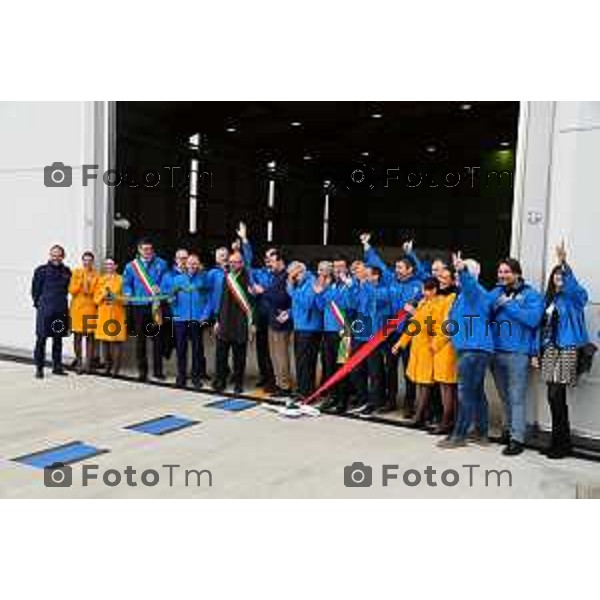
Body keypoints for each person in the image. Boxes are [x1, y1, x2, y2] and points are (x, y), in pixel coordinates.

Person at [537, 242, 589, 458]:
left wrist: (563, 263)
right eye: (556, 276)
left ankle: (562, 443)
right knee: (552, 396)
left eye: (562, 276)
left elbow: (576, 288)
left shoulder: (574, 299)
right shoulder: (549, 300)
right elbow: (541, 327)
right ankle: (559, 442)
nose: (559, 279)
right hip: (550, 349)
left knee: (557, 395)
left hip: (567, 348)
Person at [361, 233, 422, 415]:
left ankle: (410, 404)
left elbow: (424, 272)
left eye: (401, 267)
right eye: (396, 267)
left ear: (410, 270)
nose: (397, 270)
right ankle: (390, 400)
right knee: (391, 368)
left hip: (410, 334)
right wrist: (367, 246)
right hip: (392, 332)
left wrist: (412, 254)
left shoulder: (419, 285)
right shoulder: (391, 281)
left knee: (409, 371)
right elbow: (378, 264)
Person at [489, 257, 544, 456]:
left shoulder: (532, 295)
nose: (502, 275)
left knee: (516, 397)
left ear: (517, 273)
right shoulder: (494, 293)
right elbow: (482, 311)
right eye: (500, 272)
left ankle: (517, 438)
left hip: (517, 353)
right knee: (504, 397)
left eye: (506, 272)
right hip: (496, 351)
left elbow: (533, 319)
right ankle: (507, 430)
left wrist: (508, 304)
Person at [438, 254, 493, 448]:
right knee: (476, 392)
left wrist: (462, 270)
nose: (457, 277)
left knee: (465, 393)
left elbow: (469, 284)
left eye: (460, 273)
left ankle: (459, 436)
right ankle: (481, 433)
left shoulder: (475, 291)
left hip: (473, 350)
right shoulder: (463, 296)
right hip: (470, 349)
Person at [392, 278, 441, 427]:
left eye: (428, 289)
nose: (425, 292)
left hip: (428, 348)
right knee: (419, 382)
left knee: (425, 384)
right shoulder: (422, 303)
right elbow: (413, 327)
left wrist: (415, 314)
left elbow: (433, 327)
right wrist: (400, 343)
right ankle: (423, 414)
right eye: (423, 289)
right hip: (417, 347)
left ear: (435, 290)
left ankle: (420, 416)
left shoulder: (437, 305)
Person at [122, 238, 168, 382]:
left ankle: (158, 371)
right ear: (139, 250)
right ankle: (142, 371)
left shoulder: (161, 263)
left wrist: (162, 288)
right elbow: (126, 284)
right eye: (145, 249)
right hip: (139, 307)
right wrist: (128, 292)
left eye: (150, 249)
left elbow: (166, 280)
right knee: (140, 341)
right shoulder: (131, 266)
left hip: (155, 306)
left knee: (157, 340)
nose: (148, 252)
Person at [165, 253, 212, 389]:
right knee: (181, 348)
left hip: (196, 318)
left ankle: (196, 377)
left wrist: (205, 315)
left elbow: (208, 299)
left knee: (197, 349)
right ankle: (181, 376)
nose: (192, 266)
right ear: (185, 264)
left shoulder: (204, 279)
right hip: (180, 318)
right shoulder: (177, 279)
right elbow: (172, 299)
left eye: (195, 263)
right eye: (190, 263)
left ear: (199, 265)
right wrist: (172, 303)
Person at [314, 258, 353, 412]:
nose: (337, 270)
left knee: (342, 367)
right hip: (328, 331)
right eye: (335, 267)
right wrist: (319, 293)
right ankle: (332, 396)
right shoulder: (331, 286)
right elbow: (320, 306)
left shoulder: (350, 286)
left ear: (346, 268)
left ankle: (343, 400)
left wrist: (346, 286)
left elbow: (349, 305)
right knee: (329, 367)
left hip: (345, 333)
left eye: (341, 267)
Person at [213, 250, 254, 394]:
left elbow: (251, 303)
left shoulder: (248, 277)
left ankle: (238, 383)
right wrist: (217, 320)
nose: (232, 264)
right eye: (230, 262)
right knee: (221, 355)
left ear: (242, 263)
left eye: (236, 262)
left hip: (240, 323)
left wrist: (252, 323)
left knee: (239, 357)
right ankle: (220, 381)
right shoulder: (226, 277)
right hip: (224, 321)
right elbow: (221, 300)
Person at [31, 245, 72, 378]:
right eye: (53, 255)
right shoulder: (41, 270)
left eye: (59, 255)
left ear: (63, 256)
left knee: (58, 339)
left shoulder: (67, 271)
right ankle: (39, 368)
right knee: (41, 339)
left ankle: (57, 367)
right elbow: (35, 291)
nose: (56, 257)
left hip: (60, 309)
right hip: (45, 310)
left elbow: (68, 290)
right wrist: (40, 305)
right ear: (50, 255)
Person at [346, 261, 381, 417]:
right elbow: (351, 304)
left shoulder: (381, 290)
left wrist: (363, 282)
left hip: (373, 334)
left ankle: (373, 403)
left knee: (374, 372)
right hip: (359, 331)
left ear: (375, 276)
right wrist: (352, 287)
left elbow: (372, 301)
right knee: (355, 368)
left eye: (367, 274)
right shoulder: (359, 287)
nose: (363, 276)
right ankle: (362, 399)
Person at [260, 250, 294, 397]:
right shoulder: (275, 277)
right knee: (274, 355)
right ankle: (279, 384)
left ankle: (285, 386)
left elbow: (281, 297)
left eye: (272, 261)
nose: (269, 264)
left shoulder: (286, 277)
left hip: (282, 322)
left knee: (281, 355)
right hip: (273, 320)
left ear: (280, 262)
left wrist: (264, 292)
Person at [287, 261, 322, 398]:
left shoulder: (311, 282)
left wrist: (291, 290)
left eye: (293, 275)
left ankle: (306, 391)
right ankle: (303, 389)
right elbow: (298, 304)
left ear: (300, 272)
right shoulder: (300, 284)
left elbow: (307, 303)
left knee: (307, 361)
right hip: (300, 326)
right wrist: (289, 313)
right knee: (301, 360)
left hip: (309, 328)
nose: (292, 278)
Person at [94, 257, 127, 377]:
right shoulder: (100, 280)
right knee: (105, 342)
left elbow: (126, 299)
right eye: (106, 264)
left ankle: (116, 369)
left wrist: (116, 298)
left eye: (111, 264)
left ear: (116, 266)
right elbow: (95, 299)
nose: (109, 267)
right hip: (103, 313)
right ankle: (107, 367)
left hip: (117, 313)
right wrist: (103, 294)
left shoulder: (121, 280)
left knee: (116, 342)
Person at [68, 251, 100, 374]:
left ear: (93, 262)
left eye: (90, 260)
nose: (87, 262)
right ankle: (79, 362)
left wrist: (89, 287)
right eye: (85, 260)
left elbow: (96, 291)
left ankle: (88, 364)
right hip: (77, 309)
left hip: (90, 309)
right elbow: (71, 290)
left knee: (90, 337)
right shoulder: (76, 273)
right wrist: (81, 282)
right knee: (77, 336)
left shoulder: (96, 275)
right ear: (82, 261)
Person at [160, 248, 189, 361]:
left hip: (189, 313)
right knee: (176, 342)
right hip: (173, 313)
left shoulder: (192, 274)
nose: (183, 261)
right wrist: (169, 298)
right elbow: (163, 292)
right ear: (175, 260)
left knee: (186, 344)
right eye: (181, 258)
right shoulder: (168, 275)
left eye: (185, 258)